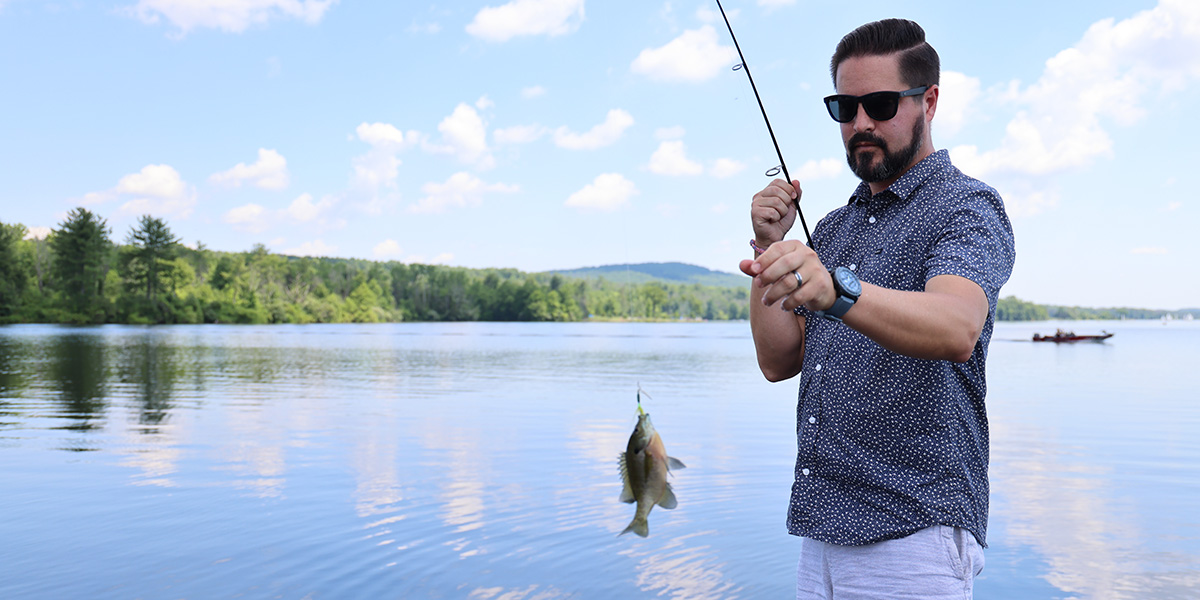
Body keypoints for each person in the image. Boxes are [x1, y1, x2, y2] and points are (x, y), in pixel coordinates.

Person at [737, 18, 1016, 599]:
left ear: (929, 101)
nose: (860, 123)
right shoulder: (834, 229)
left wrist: (836, 291)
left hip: (915, 536)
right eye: (846, 106)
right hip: (821, 534)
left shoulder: (966, 208)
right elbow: (777, 359)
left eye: (881, 104)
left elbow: (957, 326)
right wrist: (768, 246)